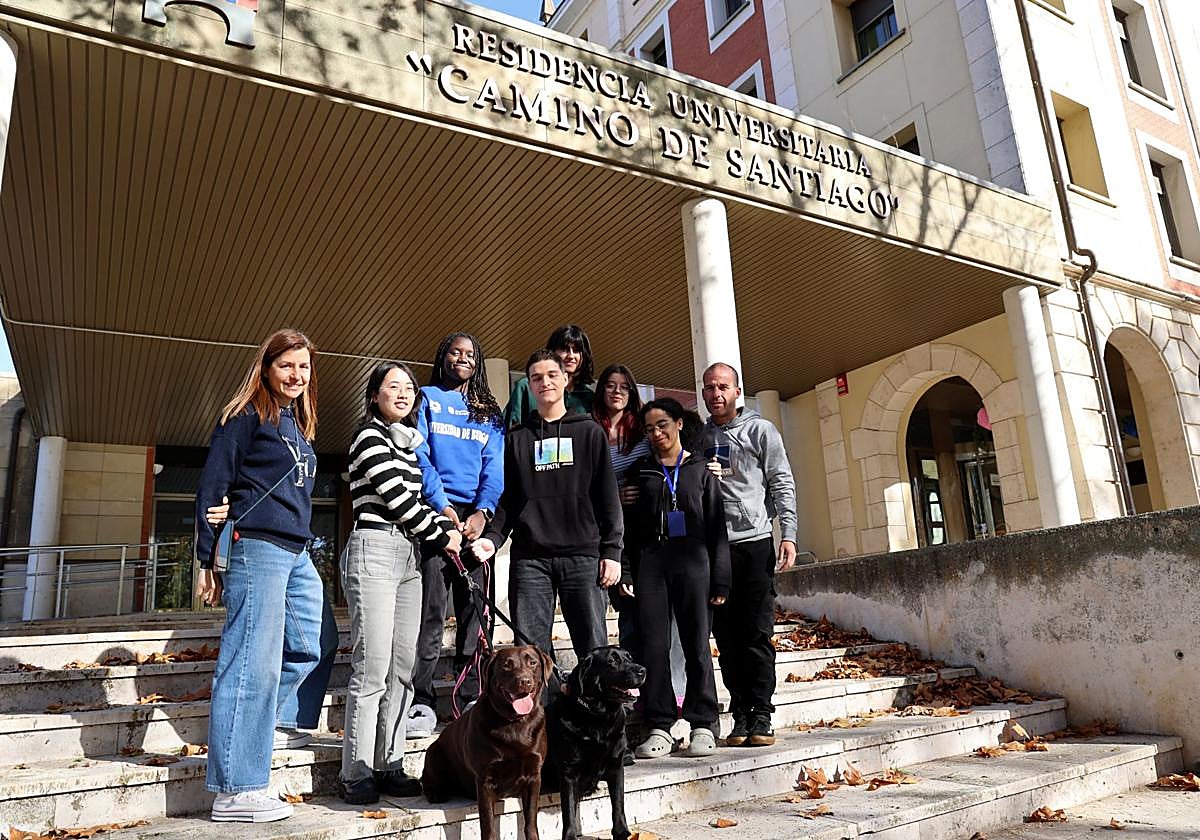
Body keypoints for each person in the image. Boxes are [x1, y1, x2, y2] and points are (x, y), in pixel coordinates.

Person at [194, 329, 338, 823]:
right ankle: (235, 788)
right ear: (267, 367)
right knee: (251, 662)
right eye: (287, 366)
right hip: (254, 545)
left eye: (304, 367)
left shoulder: (296, 422)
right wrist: (206, 557)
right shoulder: (246, 415)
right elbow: (213, 485)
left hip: (295, 550)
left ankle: (260, 727)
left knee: (313, 640)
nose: (297, 376)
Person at [338, 362, 465, 804]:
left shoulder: (409, 445)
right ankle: (355, 770)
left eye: (410, 387)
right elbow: (397, 499)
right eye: (393, 386)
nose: (404, 392)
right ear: (374, 395)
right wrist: (444, 532)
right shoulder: (368, 438)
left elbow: (416, 502)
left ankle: (390, 762)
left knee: (401, 667)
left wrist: (437, 527)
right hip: (375, 547)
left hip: (410, 554)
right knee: (371, 666)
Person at [474, 349, 623, 665]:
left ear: (566, 379)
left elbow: (607, 497)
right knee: (531, 654)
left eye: (552, 375)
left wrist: (612, 552)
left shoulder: (590, 432)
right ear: (528, 385)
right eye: (536, 378)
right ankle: (542, 713)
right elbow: (510, 499)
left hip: (583, 556)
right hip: (531, 560)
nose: (545, 383)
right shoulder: (517, 438)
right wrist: (493, 538)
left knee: (593, 650)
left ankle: (592, 715)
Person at [408, 333, 505, 738]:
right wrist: (442, 508)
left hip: (475, 520)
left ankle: (469, 698)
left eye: (469, 354)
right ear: (443, 357)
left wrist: (483, 513)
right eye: (455, 352)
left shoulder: (488, 411)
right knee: (431, 613)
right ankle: (422, 701)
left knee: (474, 615)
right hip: (436, 515)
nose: (462, 359)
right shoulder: (426, 398)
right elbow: (420, 454)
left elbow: (494, 466)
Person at [624, 398, 729, 760]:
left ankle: (703, 723)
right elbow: (629, 529)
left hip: (694, 564)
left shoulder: (701, 470)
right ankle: (660, 724)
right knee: (654, 647)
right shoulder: (641, 473)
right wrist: (625, 569)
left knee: (697, 645)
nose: (657, 433)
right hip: (651, 565)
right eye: (649, 428)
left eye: (663, 425)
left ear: (680, 424)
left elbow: (717, 527)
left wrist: (721, 580)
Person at [701, 362, 798, 748]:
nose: (715, 394)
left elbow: (782, 482)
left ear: (737, 391)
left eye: (723, 386)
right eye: (709, 387)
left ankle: (761, 711)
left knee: (755, 632)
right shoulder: (699, 435)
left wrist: (787, 533)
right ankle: (739, 710)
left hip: (754, 543)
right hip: (713, 548)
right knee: (725, 635)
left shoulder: (760, 430)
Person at [504, 325, 595, 430]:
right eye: (564, 349)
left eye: (576, 350)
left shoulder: (589, 397)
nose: (571, 356)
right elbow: (509, 429)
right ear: (552, 352)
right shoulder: (526, 387)